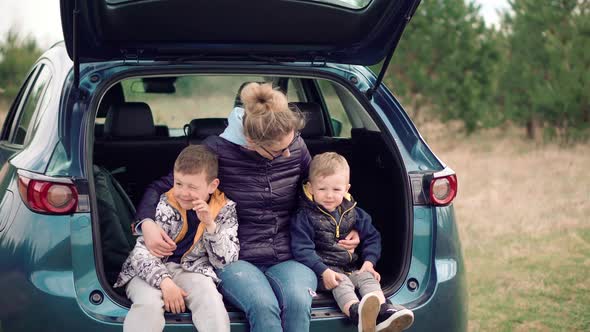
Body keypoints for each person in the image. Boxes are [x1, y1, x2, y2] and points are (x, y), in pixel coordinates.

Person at [133, 82, 360, 332]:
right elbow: (161, 187)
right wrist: (147, 224)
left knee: (297, 302)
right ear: (250, 142)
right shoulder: (217, 150)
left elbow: (323, 190)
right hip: (237, 258)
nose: (288, 153)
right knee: (263, 306)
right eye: (278, 150)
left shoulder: (295, 146)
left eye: (291, 143)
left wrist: (352, 226)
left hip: (290, 253)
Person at [114, 145, 239, 332]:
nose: (183, 192)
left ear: (212, 186)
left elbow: (226, 260)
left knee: (210, 299)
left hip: (191, 269)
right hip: (145, 271)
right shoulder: (165, 203)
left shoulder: (224, 209)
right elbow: (139, 256)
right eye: (178, 183)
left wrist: (211, 226)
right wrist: (165, 282)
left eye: (192, 187)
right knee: (149, 304)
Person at [291, 152, 414, 332]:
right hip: (323, 273)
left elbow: (372, 236)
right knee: (342, 284)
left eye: (336, 190)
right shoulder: (304, 216)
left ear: (347, 189)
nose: (329, 196)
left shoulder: (352, 212)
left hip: (351, 267)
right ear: (310, 188)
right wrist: (322, 271)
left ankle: (383, 311)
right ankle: (356, 313)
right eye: (322, 189)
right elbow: (301, 249)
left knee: (367, 277)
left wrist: (369, 263)